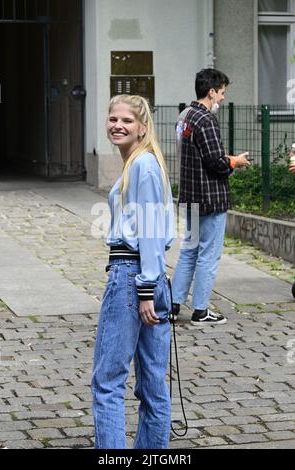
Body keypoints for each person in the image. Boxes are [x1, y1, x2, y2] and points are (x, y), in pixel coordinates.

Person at [91, 94, 174, 449]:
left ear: (143, 126)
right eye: (113, 119)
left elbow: (152, 231)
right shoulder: (140, 164)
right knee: (152, 384)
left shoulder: (143, 166)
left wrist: (144, 290)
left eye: (126, 120)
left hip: (132, 275)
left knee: (107, 382)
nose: (118, 125)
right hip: (148, 278)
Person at [172, 68, 250, 325]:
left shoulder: (184, 116)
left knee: (189, 251)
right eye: (222, 93)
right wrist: (235, 162)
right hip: (211, 197)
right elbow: (216, 161)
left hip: (190, 196)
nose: (223, 99)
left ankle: (173, 305)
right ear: (211, 92)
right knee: (208, 254)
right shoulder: (205, 120)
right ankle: (200, 311)